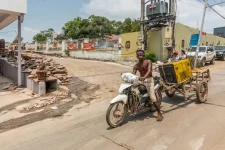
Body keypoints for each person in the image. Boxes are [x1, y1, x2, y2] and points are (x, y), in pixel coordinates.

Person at [133, 49, 163, 121]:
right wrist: (128, 78)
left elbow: (149, 71)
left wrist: (144, 77)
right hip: (141, 80)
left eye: (141, 55)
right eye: (138, 55)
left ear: (144, 56)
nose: (140, 56)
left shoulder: (148, 61)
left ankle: (159, 113)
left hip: (149, 80)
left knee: (152, 96)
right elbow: (133, 74)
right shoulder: (136, 65)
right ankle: (137, 101)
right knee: (131, 86)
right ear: (137, 56)